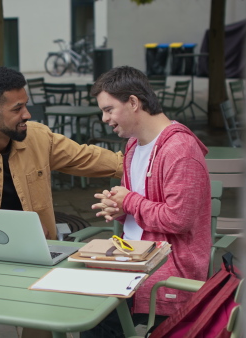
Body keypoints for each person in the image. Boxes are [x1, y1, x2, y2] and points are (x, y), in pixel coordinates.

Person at [0, 66, 124, 338]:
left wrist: (139, 163)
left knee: (45, 301)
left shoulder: (37, 136)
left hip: (36, 255)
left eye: (25, 105)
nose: (27, 114)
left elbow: (86, 157)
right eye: (17, 108)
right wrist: (20, 241)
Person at [82, 66, 211, 337]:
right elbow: (137, 205)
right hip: (131, 257)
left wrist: (129, 201)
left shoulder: (180, 150)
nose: (104, 118)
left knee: (94, 315)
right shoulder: (133, 144)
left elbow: (178, 219)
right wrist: (118, 207)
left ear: (133, 102)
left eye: (108, 109)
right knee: (75, 294)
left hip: (165, 268)